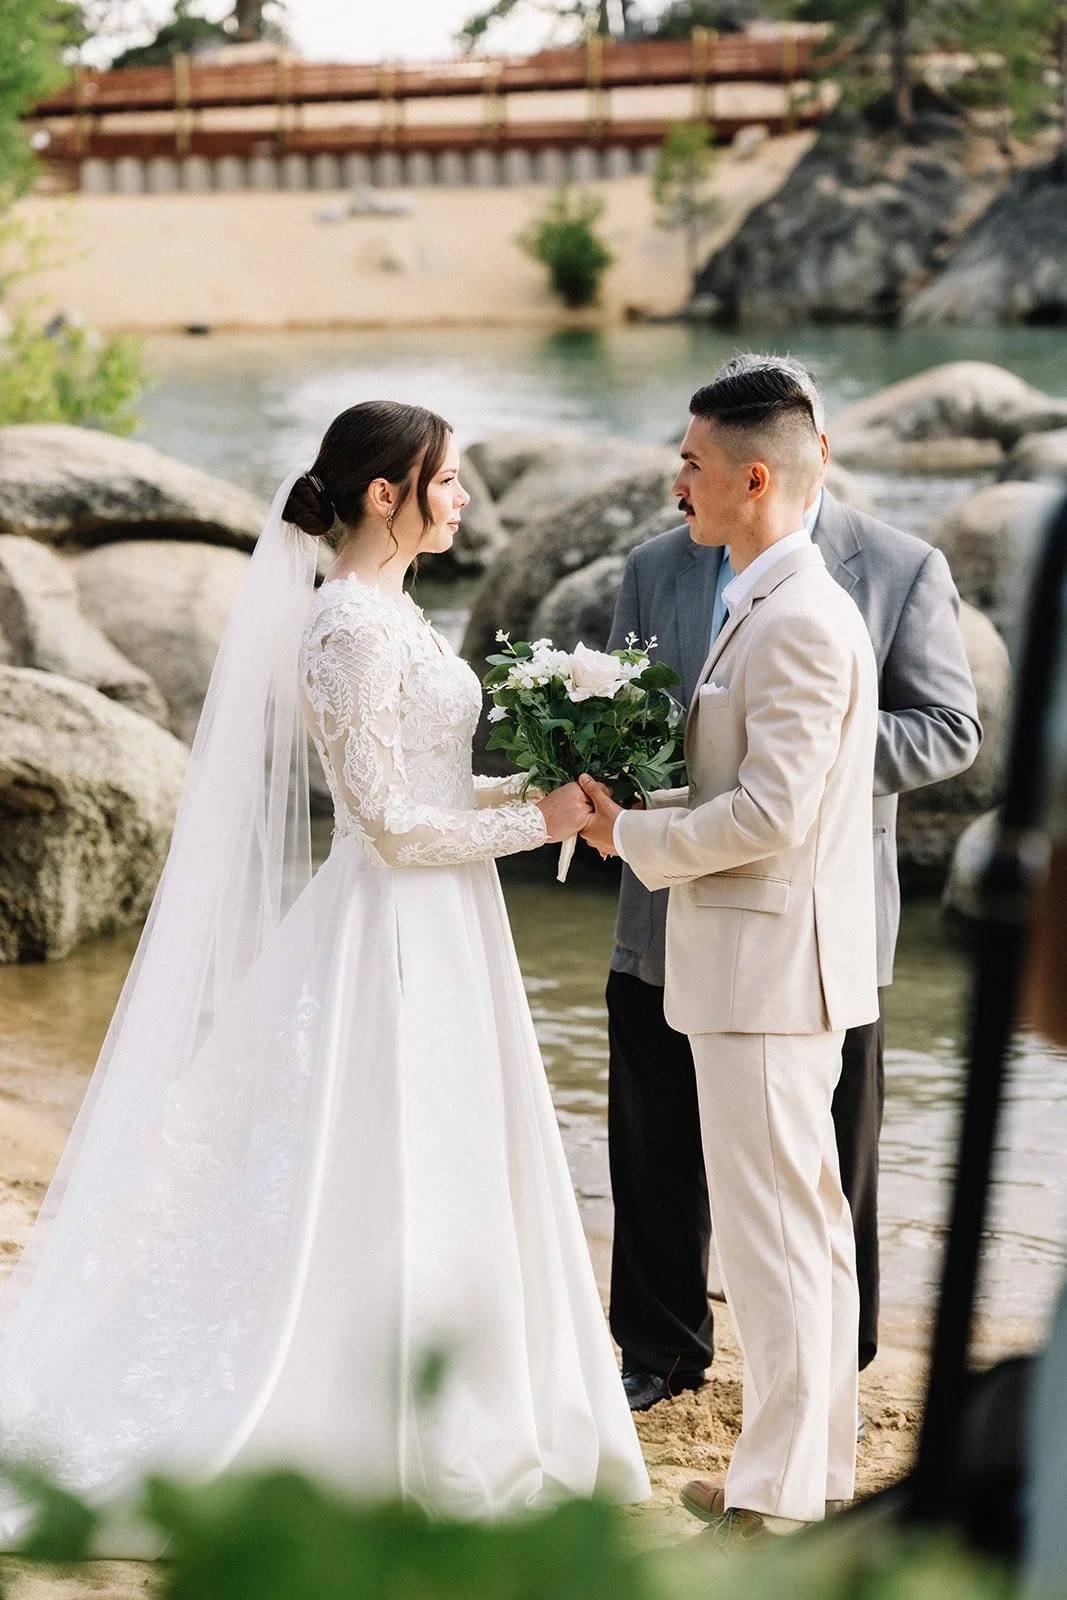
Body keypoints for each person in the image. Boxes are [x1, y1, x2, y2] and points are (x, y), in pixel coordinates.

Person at [0, 401, 650, 1547]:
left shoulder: (395, 614)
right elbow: (390, 825)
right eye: (444, 481)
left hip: (448, 924)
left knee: (450, 1156)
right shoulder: (344, 626)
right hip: (387, 930)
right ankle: (370, 1421)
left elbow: (435, 793)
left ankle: (460, 1397)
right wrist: (529, 816)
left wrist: (545, 796)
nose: (461, 500)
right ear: (385, 494)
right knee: (380, 1158)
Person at [604, 354, 981, 1413]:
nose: (679, 484)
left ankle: (833, 1362)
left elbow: (949, 728)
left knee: (816, 1164)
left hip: (812, 914)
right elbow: (641, 715)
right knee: (653, 1138)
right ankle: (660, 1349)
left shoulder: (895, 568)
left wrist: (796, 765)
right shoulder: (656, 564)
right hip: (662, 894)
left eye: (692, 461)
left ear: (805, 453)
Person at [580, 363, 880, 1533]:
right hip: (765, 968)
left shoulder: (798, 615)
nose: (677, 484)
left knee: (771, 1242)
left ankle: (776, 1493)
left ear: (756, 478)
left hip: (766, 979)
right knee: (801, 1230)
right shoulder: (765, 595)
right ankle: (812, 1474)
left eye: (693, 465)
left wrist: (631, 833)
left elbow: (770, 812)